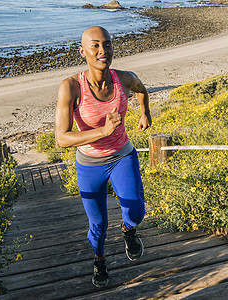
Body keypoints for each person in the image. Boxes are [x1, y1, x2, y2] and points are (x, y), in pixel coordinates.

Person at [54, 26, 151, 288]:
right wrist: (102, 131)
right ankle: (99, 259)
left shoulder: (124, 79)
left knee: (136, 211)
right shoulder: (71, 87)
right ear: (82, 51)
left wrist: (145, 113)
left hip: (122, 155)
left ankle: (128, 231)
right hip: (89, 164)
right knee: (98, 225)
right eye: (95, 45)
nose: (102, 51)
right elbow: (61, 138)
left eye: (107, 44)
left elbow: (141, 88)